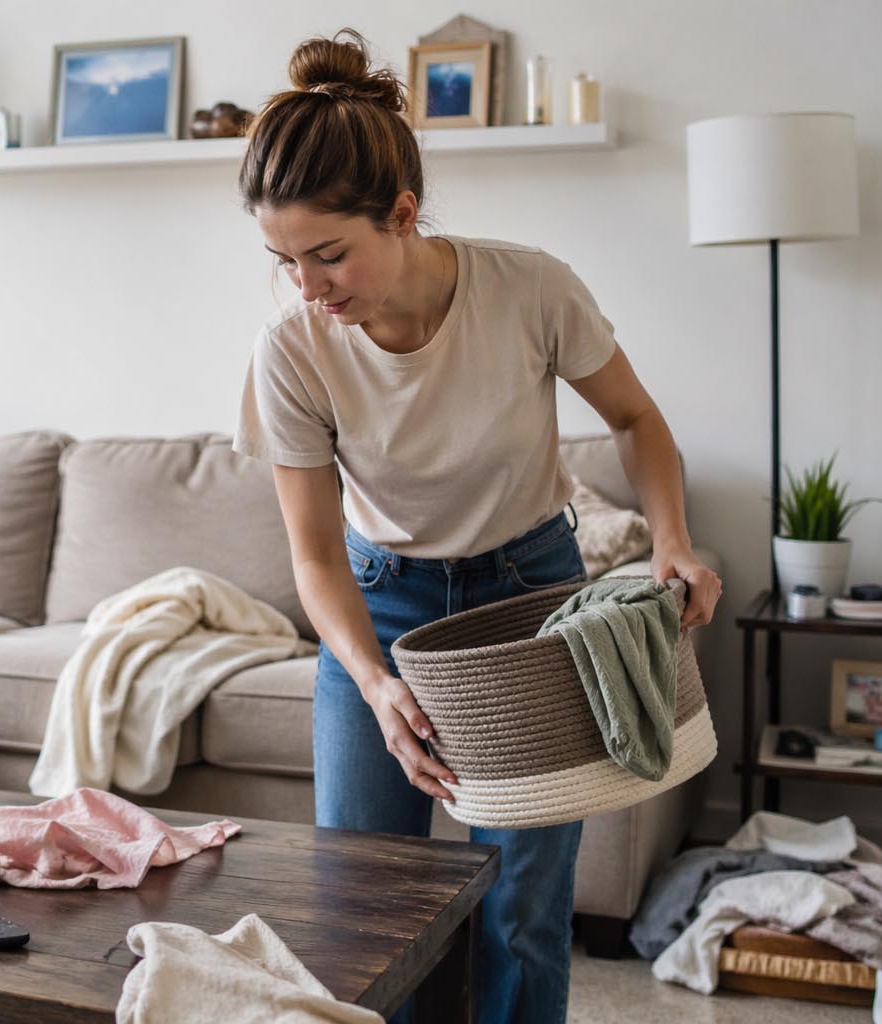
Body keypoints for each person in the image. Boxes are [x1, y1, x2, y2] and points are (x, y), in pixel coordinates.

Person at [231, 29, 722, 1024]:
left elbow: (637, 421)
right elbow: (316, 551)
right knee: (369, 909)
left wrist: (671, 540)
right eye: (283, 261)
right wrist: (373, 682)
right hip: (382, 611)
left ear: (403, 215)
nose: (308, 288)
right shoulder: (289, 350)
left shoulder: (529, 288)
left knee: (522, 908)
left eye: (328, 254)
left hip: (531, 601)